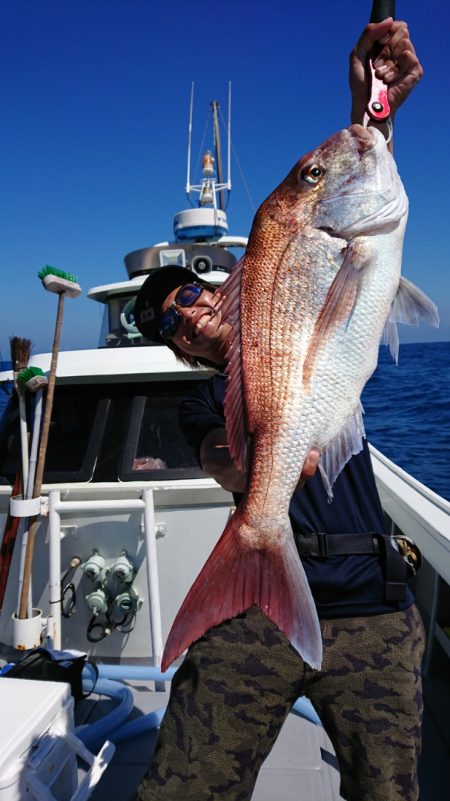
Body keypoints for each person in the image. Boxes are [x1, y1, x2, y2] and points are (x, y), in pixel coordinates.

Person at [133, 18, 425, 801]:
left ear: (220, 289)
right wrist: (259, 466)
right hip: (255, 613)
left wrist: (375, 102)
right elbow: (220, 459)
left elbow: (341, 207)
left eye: (188, 294)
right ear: (176, 348)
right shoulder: (202, 397)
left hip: (369, 598)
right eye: (169, 323)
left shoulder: (285, 293)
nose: (187, 313)